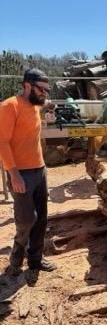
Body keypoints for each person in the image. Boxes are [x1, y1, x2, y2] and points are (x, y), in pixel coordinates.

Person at [0, 69, 56, 276]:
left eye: (46, 90)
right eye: (41, 89)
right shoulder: (9, 106)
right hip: (20, 172)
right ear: (26, 86)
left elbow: (35, 120)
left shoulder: (35, 104)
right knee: (26, 219)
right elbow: (3, 142)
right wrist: (13, 174)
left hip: (39, 169)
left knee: (41, 217)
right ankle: (17, 253)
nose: (44, 93)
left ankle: (36, 259)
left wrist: (49, 112)